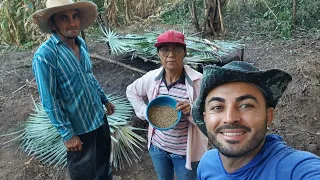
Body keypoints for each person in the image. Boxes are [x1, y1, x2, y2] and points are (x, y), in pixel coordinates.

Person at [192, 61, 320, 180]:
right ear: (205, 118)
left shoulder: (295, 169)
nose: (230, 118)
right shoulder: (207, 163)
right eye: (217, 107)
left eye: (246, 106)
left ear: (268, 116)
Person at [31, 0, 115, 179]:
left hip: (98, 117)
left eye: (75, 16)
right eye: (64, 18)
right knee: (83, 173)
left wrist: (104, 99)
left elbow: (89, 76)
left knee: (103, 165)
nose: (72, 23)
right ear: (53, 24)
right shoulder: (45, 56)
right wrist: (67, 134)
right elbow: (49, 100)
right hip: (78, 128)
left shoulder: (80, 44)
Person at [126, 30, 208, 180]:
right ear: (158, 53)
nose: (171, 55)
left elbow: (210, 114)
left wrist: (192, 110)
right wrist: (146, 112)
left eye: (177, 49)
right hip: (158, 148)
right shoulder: (152, 78)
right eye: (165, 50)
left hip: (185, 151)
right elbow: (131, 91)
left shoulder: (198, 82)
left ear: (184, 53)